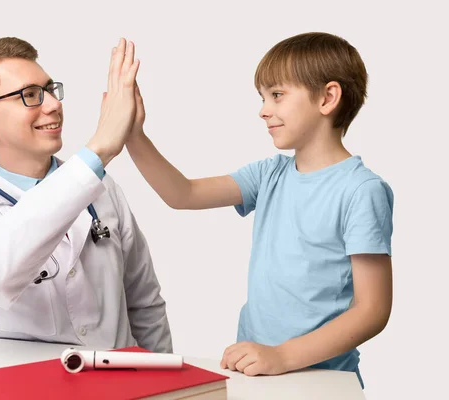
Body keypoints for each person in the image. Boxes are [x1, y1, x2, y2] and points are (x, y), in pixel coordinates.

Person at [125, 32, 393, 386]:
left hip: (324, 381)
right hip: (256, 371)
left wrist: (283, 356)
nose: (264, 110)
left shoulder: (362, 190)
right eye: (264, 97)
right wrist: (133, 135)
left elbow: (372, 310)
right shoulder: (269, 174)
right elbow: (183, 194)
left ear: (328, 97)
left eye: (277, 95)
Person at [0, 37, 173, 353]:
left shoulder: (103, 189)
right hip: (28, 384)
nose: (53, 104)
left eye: (49, 90)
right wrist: (99, 149)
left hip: (120, 385)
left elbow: (144, 303)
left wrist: (165, 383)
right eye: (30, 95)